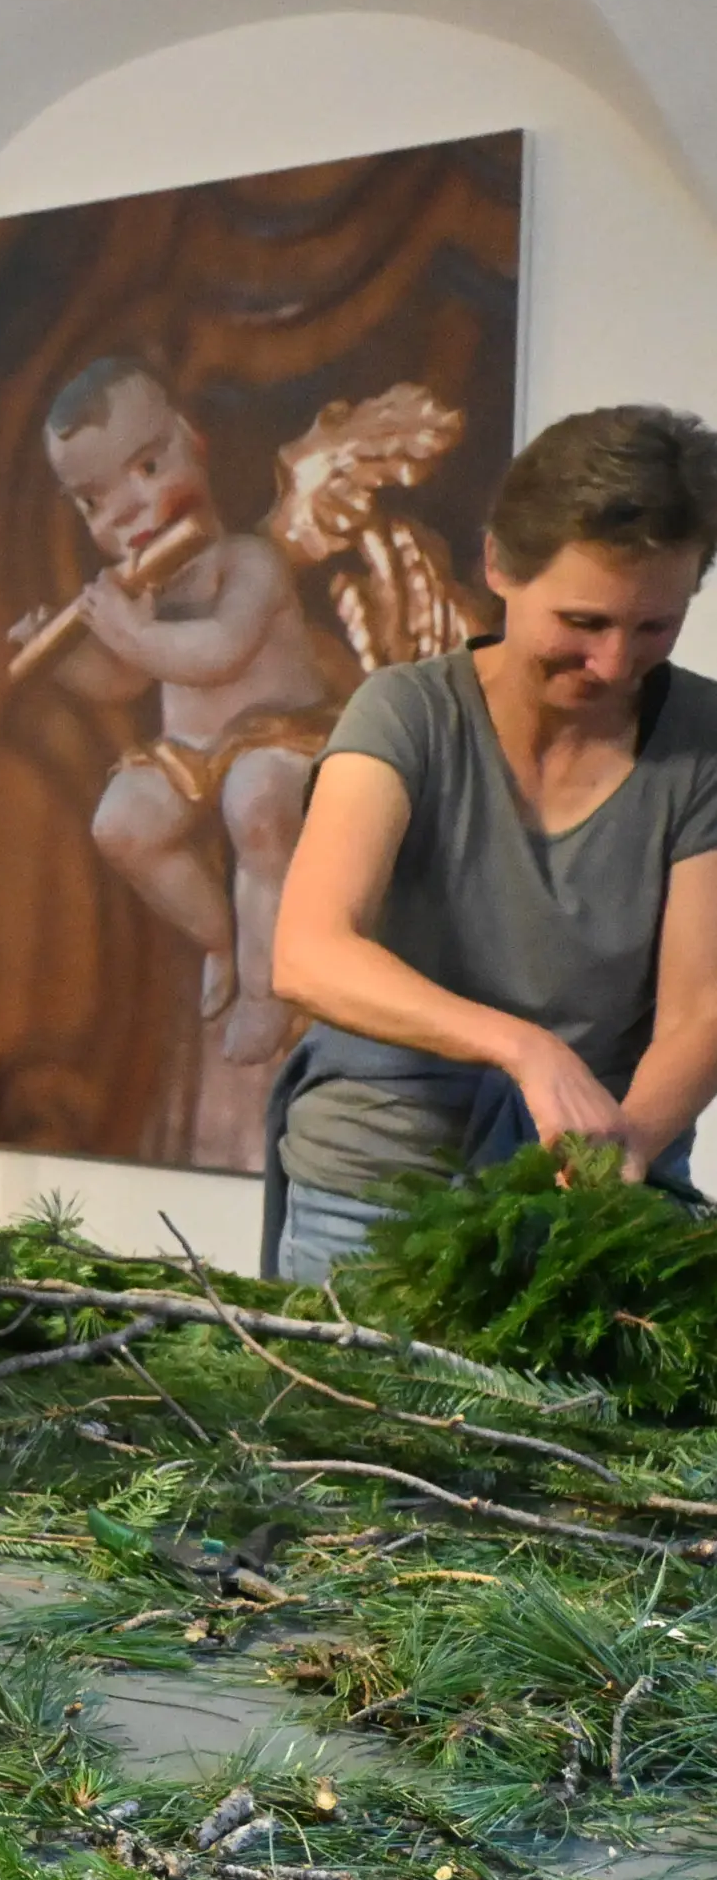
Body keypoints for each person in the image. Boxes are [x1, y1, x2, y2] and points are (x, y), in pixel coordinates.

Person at [268, 404, 717, 1282]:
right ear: (499, 566)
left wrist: (620, 1155)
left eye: (655, 627)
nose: (618, 663)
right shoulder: (405, 714)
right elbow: (309, 952)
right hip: (378, 1191)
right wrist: (526, 1047)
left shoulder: (704, 738)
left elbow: (700, 1014)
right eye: (584, 623)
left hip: (599, 1192)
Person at [13, 358, 331, 1065]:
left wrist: (132, 631)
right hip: (189, 751)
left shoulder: (250, 563)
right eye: (94, 502)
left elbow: (218, 651)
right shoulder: (150, 588)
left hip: (280, 740)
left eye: (148, 467)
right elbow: (127, 681)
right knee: (121, 823)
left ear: (194, 440)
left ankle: (265, 991)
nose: (125, 511)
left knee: (257, 804)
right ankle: (220, 939)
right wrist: (63, 656)